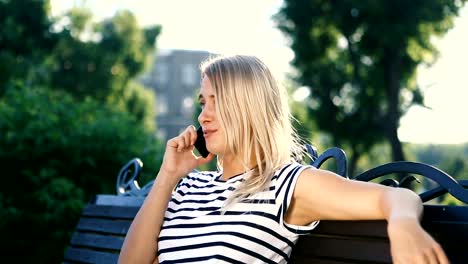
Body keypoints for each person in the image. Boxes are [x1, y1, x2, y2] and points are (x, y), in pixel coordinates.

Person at [119, 55, 448, 264]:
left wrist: (404, 226)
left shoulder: (285, 184)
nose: (204, 115)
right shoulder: (188, 186)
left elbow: (397, 196)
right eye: (203, 101)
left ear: (250, 105)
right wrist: (166, 177)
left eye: (216, 101)